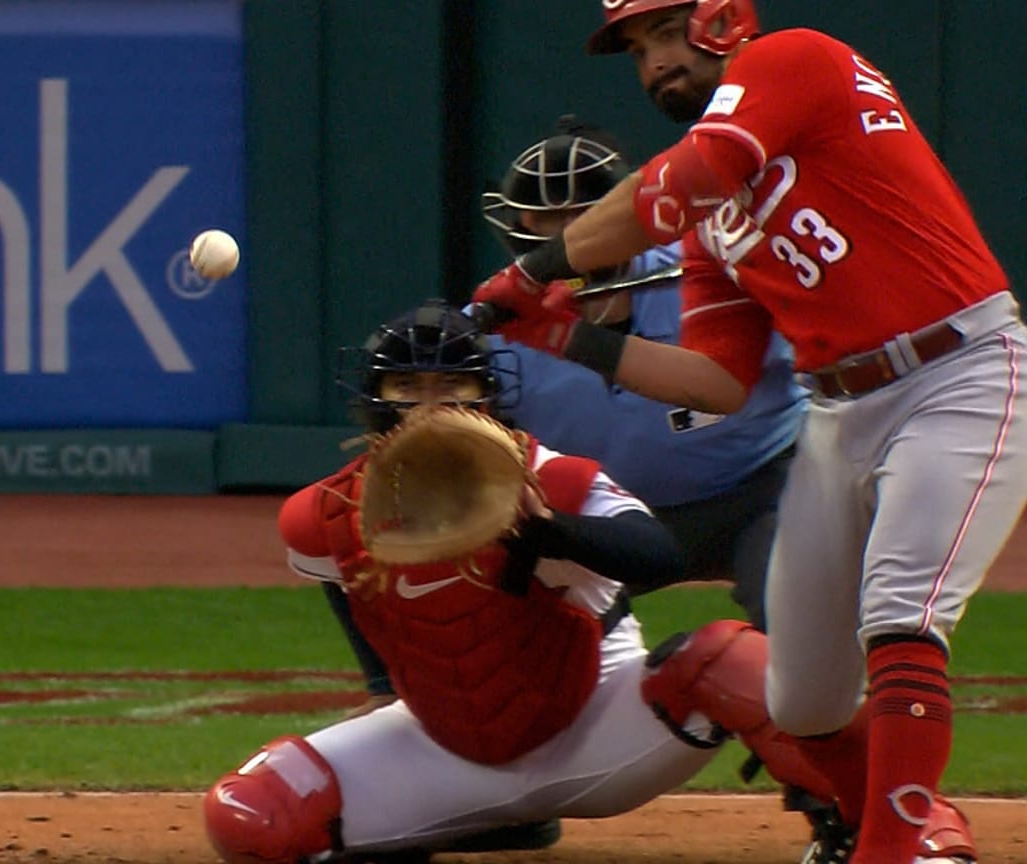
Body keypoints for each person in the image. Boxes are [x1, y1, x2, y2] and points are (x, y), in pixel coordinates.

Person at [470, 2, 1027, 862]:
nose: (653, 62)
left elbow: (678, 181)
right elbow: (718, 382)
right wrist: (564, 337)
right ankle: (890, 826)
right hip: (840, 411)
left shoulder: (793, 61)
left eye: (663, 32)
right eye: (636, 47)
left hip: (960, 367)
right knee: (804, 700)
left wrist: (536, 266)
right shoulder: (717, 220)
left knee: (902, 615)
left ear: (722, 18)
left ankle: (894, 850)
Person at [202, 300, 974, 864]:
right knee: (249, 817)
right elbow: (342, 583)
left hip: (595, 724)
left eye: (453, 391)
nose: (432, 411)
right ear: (376, 405)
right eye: (410, 391)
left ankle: (908, 824)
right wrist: (380, 682)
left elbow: (659, 555)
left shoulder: (547, 477)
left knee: (725, 658)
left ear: (488, 401)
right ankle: (479, 821)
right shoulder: (323, 516)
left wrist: (543, 531)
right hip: (446, 746)